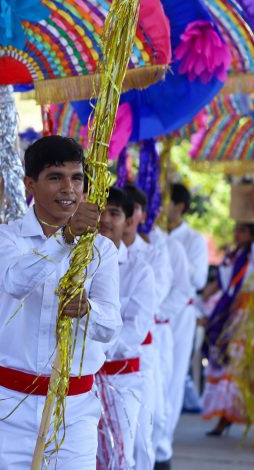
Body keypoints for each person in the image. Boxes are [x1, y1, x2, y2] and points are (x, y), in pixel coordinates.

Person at [0, 135, 121, 469]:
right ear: (29, 184)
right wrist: (64, 239)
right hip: (8, 407)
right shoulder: (3, 238)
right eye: (55, 177)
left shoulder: (101, 250)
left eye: (77, 178)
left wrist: (87, 311)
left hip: (73, 412)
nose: (69, 188)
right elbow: (15, 282)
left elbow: (110, 329)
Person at [96, 187, 155, 469]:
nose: (105, 219)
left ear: (129, 221)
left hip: (121, 378)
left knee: (120, 454)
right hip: (78, 381)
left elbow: (135, 330)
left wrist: (94, 350)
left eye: (114, 213)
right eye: (101, 211)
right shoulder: (76, 264)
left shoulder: (140, 270)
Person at [155, 183, 208, 469]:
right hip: (155, 313)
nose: (162, 208)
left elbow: (198, 281)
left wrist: (172, 254)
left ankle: (164, 442)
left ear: (180, 207)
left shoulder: (193, 240)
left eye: (167, 202)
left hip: (181, 315)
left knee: (174, 377)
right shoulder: (152, 236)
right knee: (156, 376)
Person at [122, 184, 173, 470]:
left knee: (146, 423)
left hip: (141, 350)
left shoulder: (153, 254)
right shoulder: (97, 252)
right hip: (103, 356)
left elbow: (150, 303)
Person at [200, 218, 254, 436]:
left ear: (253, 234)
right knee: (225, 364)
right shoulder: (233, 256)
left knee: (237, 365)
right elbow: (222, 284)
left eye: (243, 230)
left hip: (245, 316)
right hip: (229, 312)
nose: (237, 233)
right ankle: (224, 417)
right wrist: (206, 294)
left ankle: (242, 417)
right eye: (236, 229)